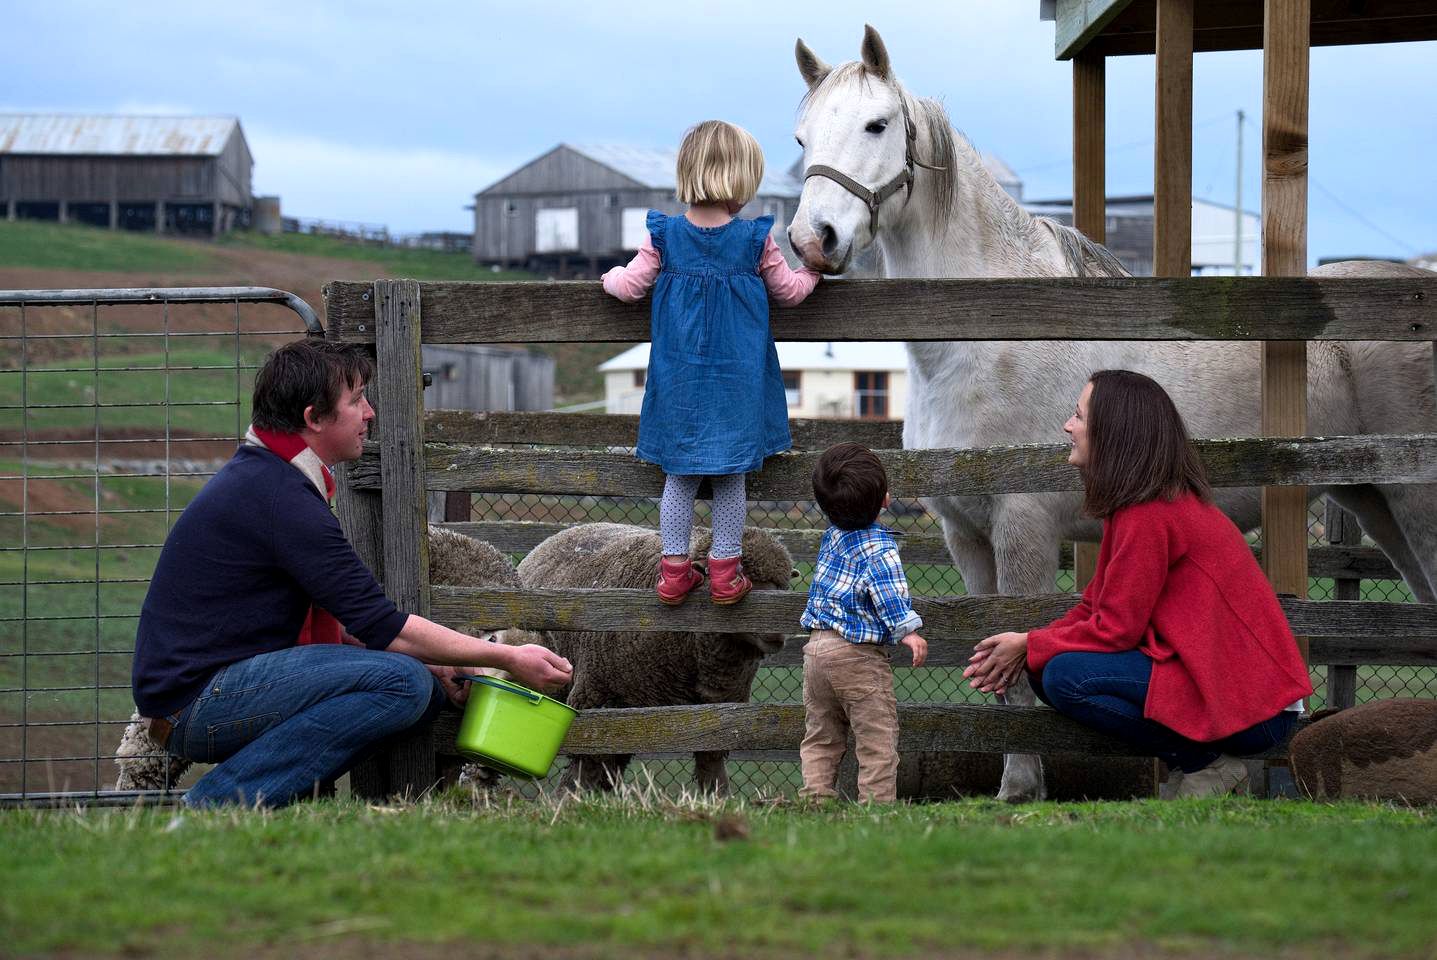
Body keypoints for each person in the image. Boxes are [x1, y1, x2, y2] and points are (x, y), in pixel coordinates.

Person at [130, 339, 572, 808]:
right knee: (402, 682)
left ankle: (263, 804)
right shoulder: (282, 498)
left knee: (418, 689)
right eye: (357, 399)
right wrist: (504, 657)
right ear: (313, 417)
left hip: (204, 693)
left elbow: (349, 625)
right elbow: (381, 625)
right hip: (197, 704)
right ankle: (216, 807)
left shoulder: (270, 479)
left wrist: (447, 662)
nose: (370, 413)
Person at [963, 369, 1312, 797]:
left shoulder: (1150, 513)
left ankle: (1206, 765)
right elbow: (1095, 609)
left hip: (1256, 707)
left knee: (1065, 677)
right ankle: (1198, 765)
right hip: (1228, 691)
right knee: (1047, 669)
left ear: (1113, 433)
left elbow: (1115, 629)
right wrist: (1028, 645)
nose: (1067, 427)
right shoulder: (1140, 505)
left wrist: (1029, 644)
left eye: (1078, 416)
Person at [602, 120, 821, 605]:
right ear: (740, 180)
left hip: (679, 382)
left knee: (678, 478)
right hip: (736, 383)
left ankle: (674, 571)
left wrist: (609, 276)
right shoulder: (753, 240)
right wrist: (813, 272)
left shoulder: (663, 237)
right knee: (731, 478)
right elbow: (788, 292)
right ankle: (725, 571)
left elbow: (630, 286)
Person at [797, 443, 928, 803]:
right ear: (885, 500)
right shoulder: (879, 548)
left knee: (822, 736)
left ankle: (816, 801)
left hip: (817, 651)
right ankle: (876, 812)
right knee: (877, 741)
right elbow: (887, 593)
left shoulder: (832, 535)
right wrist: (909, 631)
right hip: (858, 657)